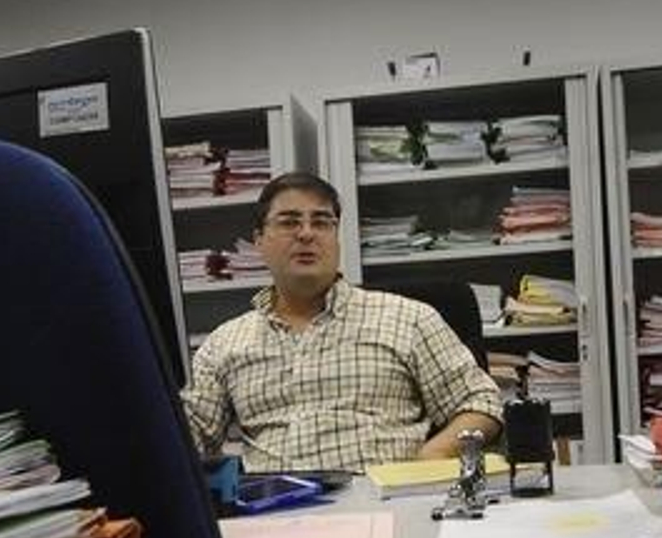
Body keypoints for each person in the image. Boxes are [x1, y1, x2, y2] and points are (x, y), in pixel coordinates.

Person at [181, 171, 502, 473]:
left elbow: (481, 403)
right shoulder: (224, 343)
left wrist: (433, 455)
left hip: (386, 503)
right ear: (259, 241)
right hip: (276, 514)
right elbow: (187, 437)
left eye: (321, 222)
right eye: (289, 222)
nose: (306, 233)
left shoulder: (410, 318)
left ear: (336, 237)